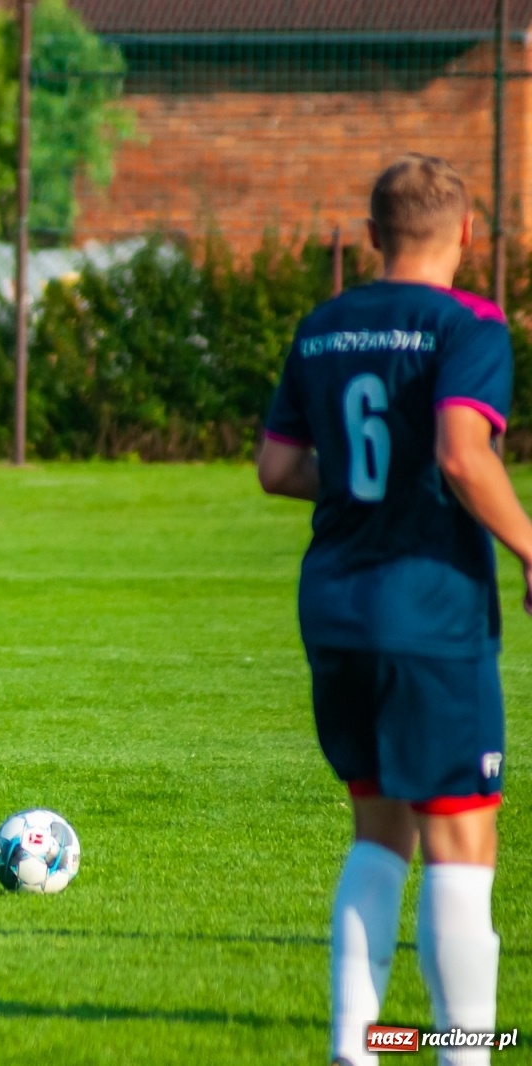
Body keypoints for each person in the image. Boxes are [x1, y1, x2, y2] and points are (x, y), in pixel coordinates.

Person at [259, 154, 513, 1066]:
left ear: (371, 236)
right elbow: (461, 455)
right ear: (469, 236)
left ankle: (357, 1049)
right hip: (430, 609)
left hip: (335, 608)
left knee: (377, 833)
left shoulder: (323, 325)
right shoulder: (471, 323)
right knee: (458, 833)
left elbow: (279, 469)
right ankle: (463, 1053)